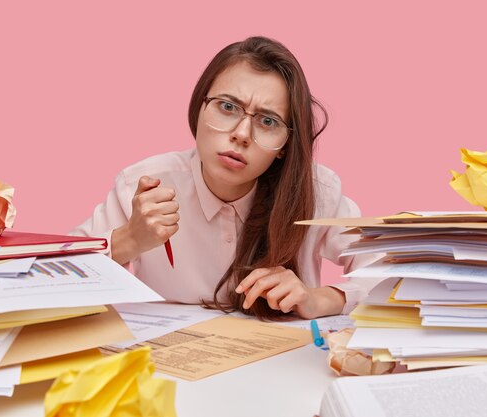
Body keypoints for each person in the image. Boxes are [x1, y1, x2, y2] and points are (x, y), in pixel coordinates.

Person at [71, 36, 372, 320]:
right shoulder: (144, 185)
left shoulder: (317, 193)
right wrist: (130, 239)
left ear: (285, 146)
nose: (241, 134)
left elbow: (394, 276)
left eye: (268, 121)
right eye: (227, 107)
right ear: (200, 107)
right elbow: (59, 278)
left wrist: (320, 299)